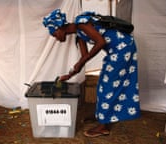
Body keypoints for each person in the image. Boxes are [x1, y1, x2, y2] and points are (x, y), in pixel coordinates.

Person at [43, 9, 140, 137]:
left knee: (108, 86)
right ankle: (102, 116)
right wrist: (70, 74)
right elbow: (84, 57)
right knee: (103, 85)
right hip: (116, 51)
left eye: (54, 34)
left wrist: (81, 62)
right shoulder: (79, 34)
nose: (56, 38)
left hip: (123, 48)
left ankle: (103, 127)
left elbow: (101, 42)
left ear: (59, 27)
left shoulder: (82, 24)